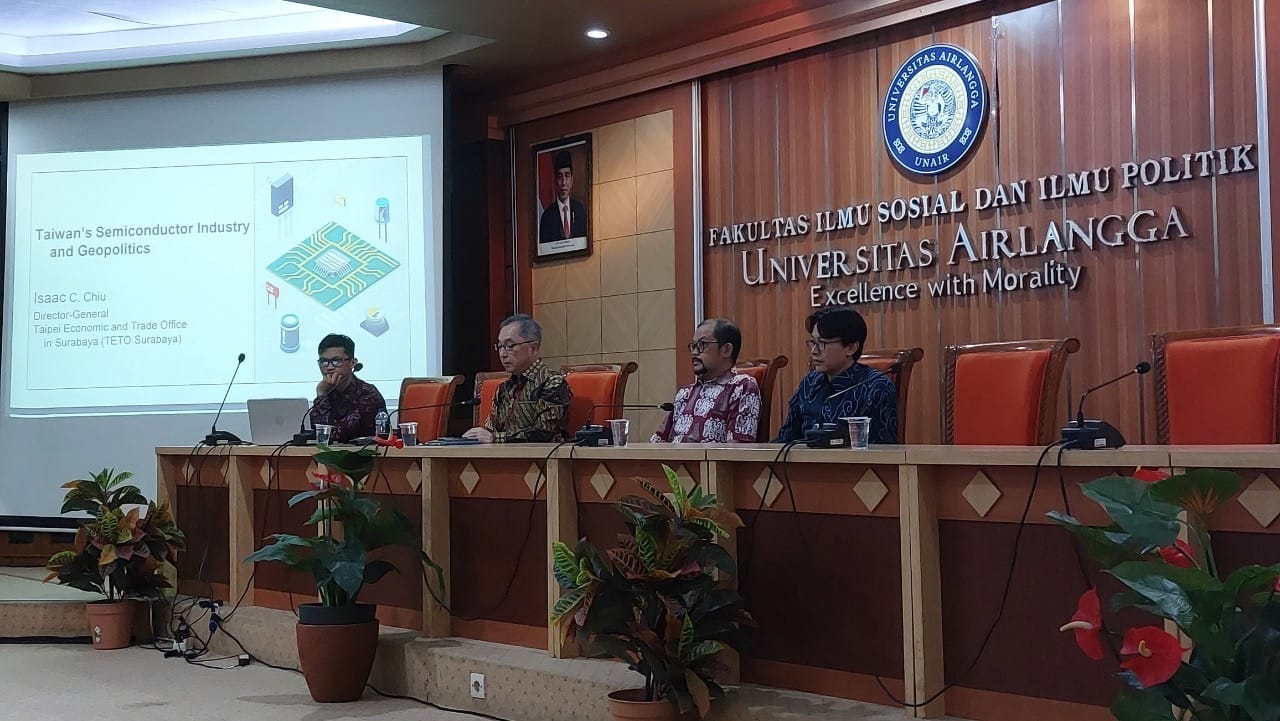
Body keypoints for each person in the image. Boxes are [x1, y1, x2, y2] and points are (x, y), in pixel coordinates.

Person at [774, 307, 898, 444]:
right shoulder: (809, 383)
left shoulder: (876, 387)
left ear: (851, 348)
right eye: (813, 343)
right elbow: (785, 439)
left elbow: (885, 451)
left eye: (822, 343)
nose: (814, 351)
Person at [463, 314, 572, 443]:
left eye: (510, 346)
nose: (503, 354)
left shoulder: (552, 383)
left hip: (542, 459)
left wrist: (495, 438)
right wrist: (478, 435)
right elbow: (490, 430)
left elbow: (545, 432)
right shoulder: (504, 388)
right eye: (500, 346)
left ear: (533, 348)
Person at [652, 318, 761, 443]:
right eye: (693, 346)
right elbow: (659, 442)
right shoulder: (685, 393)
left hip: (710, 462)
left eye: (702, 345)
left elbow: (738, 450)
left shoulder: (742, 386)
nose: (694, 352)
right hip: (674, 461)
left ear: (726, 350)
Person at [309, 333, 386, 442]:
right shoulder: (328, 392)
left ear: (352, 363)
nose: (330, 367)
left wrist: (321, 393)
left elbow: (337, 436)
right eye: (324, 362)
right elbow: (317, 433)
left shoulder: (368, 394)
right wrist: (322, 395)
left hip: (365, 456)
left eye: (337, 361)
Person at [538, 150, 588, 243]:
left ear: (572, 180)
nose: (564, 182)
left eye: (567, 176)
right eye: (560, 176)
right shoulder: (547, 216)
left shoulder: (580, 210)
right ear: (555, 181)